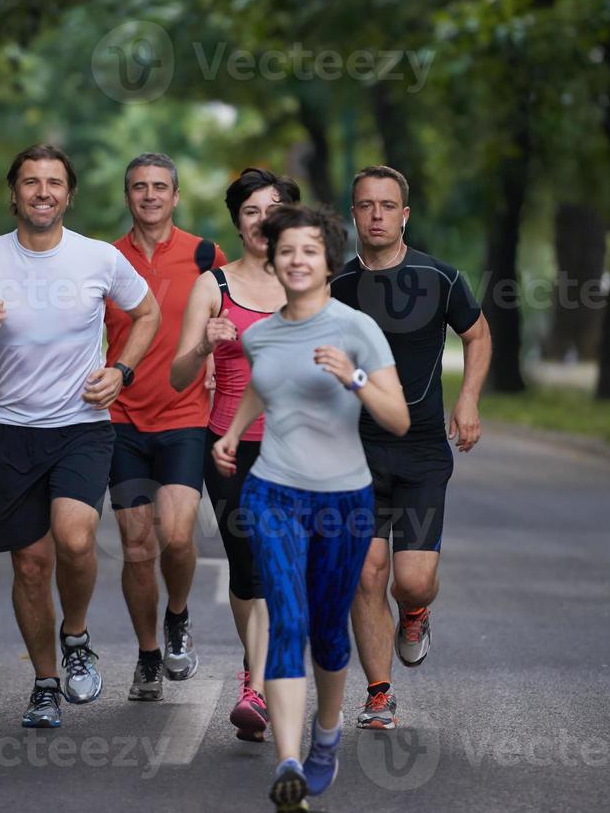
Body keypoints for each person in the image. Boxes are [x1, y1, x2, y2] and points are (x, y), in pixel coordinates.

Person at [0, 143, 160, 729]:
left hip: (82, 428)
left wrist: (121, 371)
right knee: (31, 566)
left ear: (69, 194)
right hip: (14, 431)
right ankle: (44, 683)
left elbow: (148, 314)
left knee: (76, 537)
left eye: (54, 182)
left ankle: (77, 634)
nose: (43, 192)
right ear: (13, 193)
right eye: (31, 182)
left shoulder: (97, 260)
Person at [212, 205, 409, 812]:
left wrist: (353, 378)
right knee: (287, 620)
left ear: (328, 262)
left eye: (310, 251)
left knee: (328, 632)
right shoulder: (259, 334)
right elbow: (263, 388)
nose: (297, 260)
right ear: (272, 258)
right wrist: (231, 432)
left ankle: (328, 734)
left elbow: (398, 419)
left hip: (344, 501)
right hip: (272, 492)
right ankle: (289, 762)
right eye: (287, 250)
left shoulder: (357, 330)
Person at [331, 165, 491, 731]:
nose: (376, 214)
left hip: (422, 450)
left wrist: (467, 402)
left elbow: (477, 333)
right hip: (354, 455)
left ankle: (416, 612)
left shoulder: (440, 277)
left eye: (387, 205)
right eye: (365, 205)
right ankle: (378, 694)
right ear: (353, 214)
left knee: (411, 580)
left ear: (405, 214)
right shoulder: (336, 287)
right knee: (365, 573)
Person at [170, 167, 300, 742]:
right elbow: (179, 376)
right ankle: (256, 673)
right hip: (229, 448)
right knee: (248, 572)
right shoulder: (213, 286)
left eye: (273, 209)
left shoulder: (309, 278)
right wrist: (207, 342)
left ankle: (263, 678)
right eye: (251, 211)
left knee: (283, 567)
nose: (262, 220)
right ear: (238, 222)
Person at [103, 153, 227, 702]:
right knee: (135, 548)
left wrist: (221, 366)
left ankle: (178, 614)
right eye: (139, 187)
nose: (149, 195)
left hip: (185, 416)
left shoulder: (206, 255)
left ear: (175, 196)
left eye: (159, 187)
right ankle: (149, 654)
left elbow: (235, 317)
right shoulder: (104, 260)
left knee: (176, 535)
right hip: (121, 418)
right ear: (127, 196)